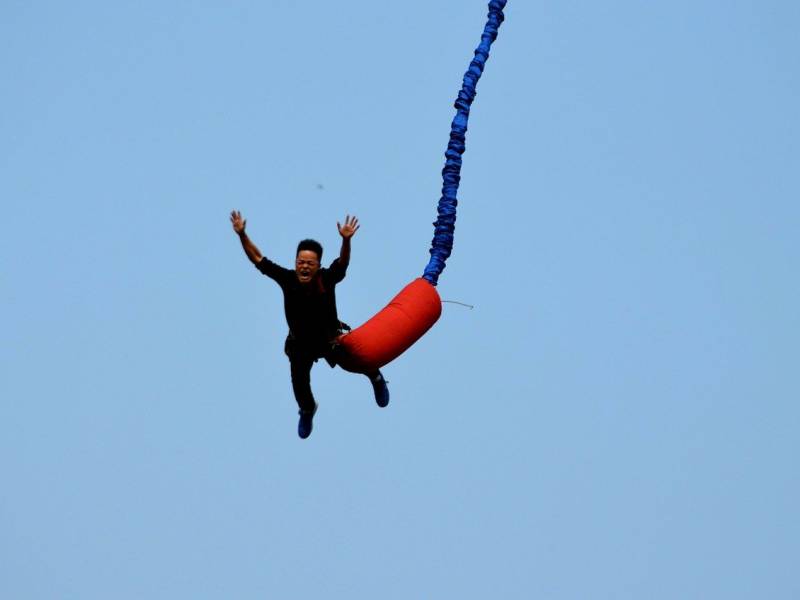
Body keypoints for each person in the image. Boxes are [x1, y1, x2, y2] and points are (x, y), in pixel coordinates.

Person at [230, 210, 389, 439]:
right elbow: (258, 259)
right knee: (299, 384)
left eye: (309, 263)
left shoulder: (327, 278)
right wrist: (242, 234)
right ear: (295, 263)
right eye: (300, 262)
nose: (304, 267)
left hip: (329, 339)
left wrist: (345, 240)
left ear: (318, 265)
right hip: (301, 345)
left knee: (358, 358)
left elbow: (343, 263)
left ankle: (376, 377)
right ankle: (307, 409)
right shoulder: (287, 278)